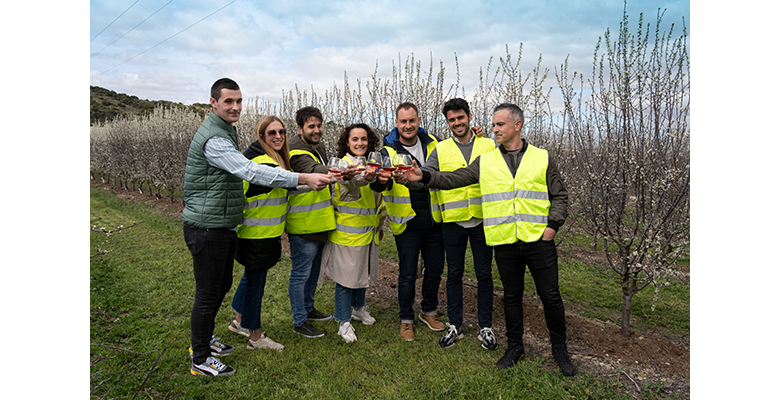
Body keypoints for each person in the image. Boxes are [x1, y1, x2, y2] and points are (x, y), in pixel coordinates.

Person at [402, 103, 577, 376]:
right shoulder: (487, 161)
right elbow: (453, 179)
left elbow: (560, 195)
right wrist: (422, 175)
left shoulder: (542, 157)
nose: (494, 129)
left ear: (517, 125)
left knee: (551, 297)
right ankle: (515, 347)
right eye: (493, 125)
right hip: (505, 240)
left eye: (500, 125)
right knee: (511, 296)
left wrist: (553, 225)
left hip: (538, 241)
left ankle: (559, 349)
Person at [183, 78, 330, 377]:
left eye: (239, 101)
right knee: (209, 293)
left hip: (222, 225)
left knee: (221, 287)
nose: (235, 107)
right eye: (228, 102)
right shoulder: (215, 138)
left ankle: (206, 341)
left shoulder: (225, 131)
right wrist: (302, 179)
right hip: (207, 226)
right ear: (213, 102)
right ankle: (200, 358)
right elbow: (247, 170)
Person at [421, 98, 498, 350]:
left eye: (460, 118)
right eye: (451, 120)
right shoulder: (440, 149)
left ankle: (485, 326)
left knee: (484, 274)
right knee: (454, 274)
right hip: (453, 222)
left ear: (469, 117)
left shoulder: (489, 145)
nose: (456, 123)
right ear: (447, 122)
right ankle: (455, 324)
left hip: (483, 220)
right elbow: (425, 175)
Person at [373, 102, 445, 341]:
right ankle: (406, 319)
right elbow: (378, 183)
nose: (407, 126)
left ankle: (429, 311)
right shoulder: (387, 151)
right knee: (407, 273)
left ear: (419, 121)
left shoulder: (434, 144)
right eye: (403, 121)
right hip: (407, 222)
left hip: (435, 218)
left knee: (434, 270)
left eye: (411, 121)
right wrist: (382, 181)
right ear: (396, 123)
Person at [227, 116, 293, 352]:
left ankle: (239, 321)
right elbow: (288, 182)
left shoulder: (265, 158)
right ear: (261, 136)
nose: (278, 136)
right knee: (256, 285)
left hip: (259, 233)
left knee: (250, 278)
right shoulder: (263, 163)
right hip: (257, 235)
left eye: (281, 132)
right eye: (272, 133)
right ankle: (255, 336)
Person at [319, 123, 386, 343]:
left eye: (364, 139)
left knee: (361, 273)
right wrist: (366, 178)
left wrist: (380, 225)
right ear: (347, 142)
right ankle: (343, 320)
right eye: (355, 139)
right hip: (347, 233)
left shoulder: (372, 164)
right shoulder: (343, 166)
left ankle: (358, 309)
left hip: (368, 231)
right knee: (346, 279)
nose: (360, 143)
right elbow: (351, 182)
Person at [285, 106, 336, 338]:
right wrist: (345, 168)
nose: (316, 130)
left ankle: (308, 308)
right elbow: (314, 170)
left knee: (314, 271)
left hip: (319, 220)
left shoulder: (318, 146)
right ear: (299, 128)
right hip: (302, 222)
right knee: (300, 273)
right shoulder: (295, 150)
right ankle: (299, 320)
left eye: (318, 125)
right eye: (311, 127)